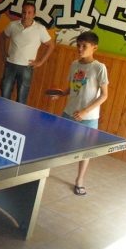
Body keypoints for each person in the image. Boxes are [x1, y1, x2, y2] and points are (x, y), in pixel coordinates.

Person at [50, 31, 108, 196]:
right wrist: (62, 94)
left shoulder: (99, 68)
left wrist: (85, 111)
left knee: (85, 150)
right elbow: (73, 87)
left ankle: (79, 180)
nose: (80, 49)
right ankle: (44, 170)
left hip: (88, 117)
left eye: (84, 46)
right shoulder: (74, 64)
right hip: (69, 112)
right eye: (78, 45)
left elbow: (104, 95)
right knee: (58, 142)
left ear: (94, 47)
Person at [0, 3, 54, 104]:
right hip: (10, 64)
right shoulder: (12, 25)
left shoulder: (40, 29)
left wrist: (40, 62)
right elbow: (2, 37)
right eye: (24, 12)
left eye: (29, 13)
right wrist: (3, 53)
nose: (26, 15)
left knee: (21, 99)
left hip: (26, 68)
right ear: (21, 12)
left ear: (34, 14)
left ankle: (18, 114)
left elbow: (51, 45)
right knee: (4, 94)